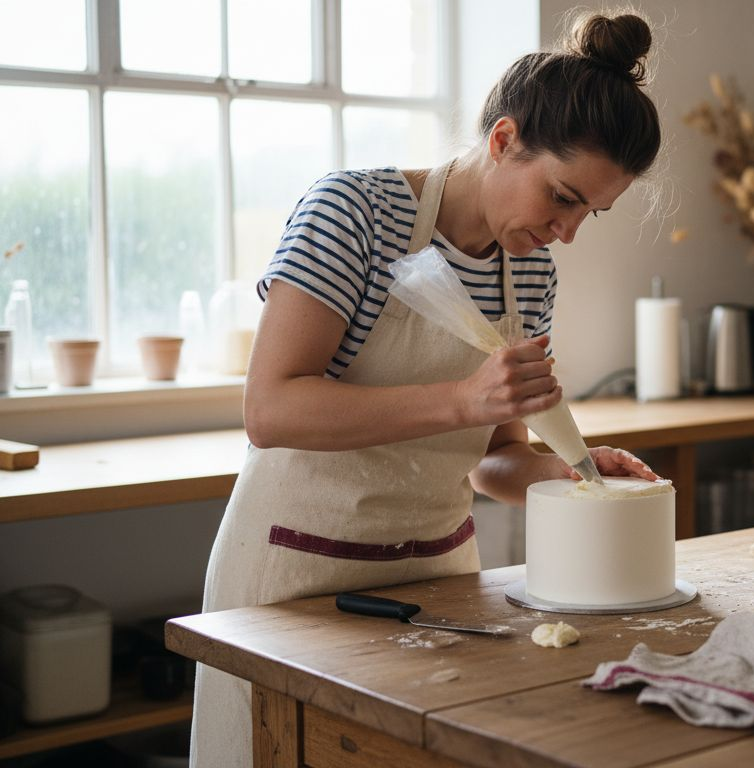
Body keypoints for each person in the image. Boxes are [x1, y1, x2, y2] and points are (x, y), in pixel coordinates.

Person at [189, 11, 663, 767]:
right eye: (563, 197)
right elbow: (270, 408)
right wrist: (462, 401)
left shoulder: (529, 269)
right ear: (504, 141)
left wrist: (571, 474)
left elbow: (491, 457)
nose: (567, 231)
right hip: (296, 578)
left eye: (590, 214)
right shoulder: (356, 214)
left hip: (439, 586)